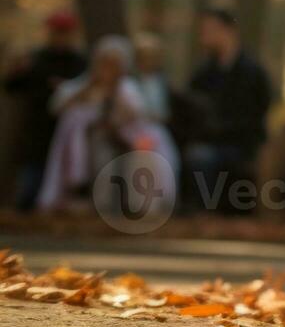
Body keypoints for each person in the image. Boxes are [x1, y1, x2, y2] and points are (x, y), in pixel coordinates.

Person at [36, 34, 179, 213]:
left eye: (114, 64)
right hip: (84, 142)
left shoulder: (127, 88)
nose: (108, 69)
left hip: (123, 139)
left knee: (136, 159)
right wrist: (89, 88)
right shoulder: (83, 85)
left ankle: (134, 207)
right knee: (101, 158)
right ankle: (90, 201)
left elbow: (137, 114)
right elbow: (57, 106)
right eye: (104, 63)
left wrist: (115, 94)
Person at [182, 8, 273, 214]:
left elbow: (256, 114)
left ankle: (206, 212)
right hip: (207, 140)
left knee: (200, 157)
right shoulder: (204, 73)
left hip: (241, 143)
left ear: (228, 31)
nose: (204, 37)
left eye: (210, 30)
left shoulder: (252, 73)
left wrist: (219, 130)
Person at [2, 11, 87, 210]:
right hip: (37, 126)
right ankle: (24, 208)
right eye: (56, 31)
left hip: (68, 128)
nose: (59, 36)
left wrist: (66, 89)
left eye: (64, 32)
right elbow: (11, 86)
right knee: (33, 173)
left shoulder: (79, 61)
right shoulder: (35, 58)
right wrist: (16, 71)